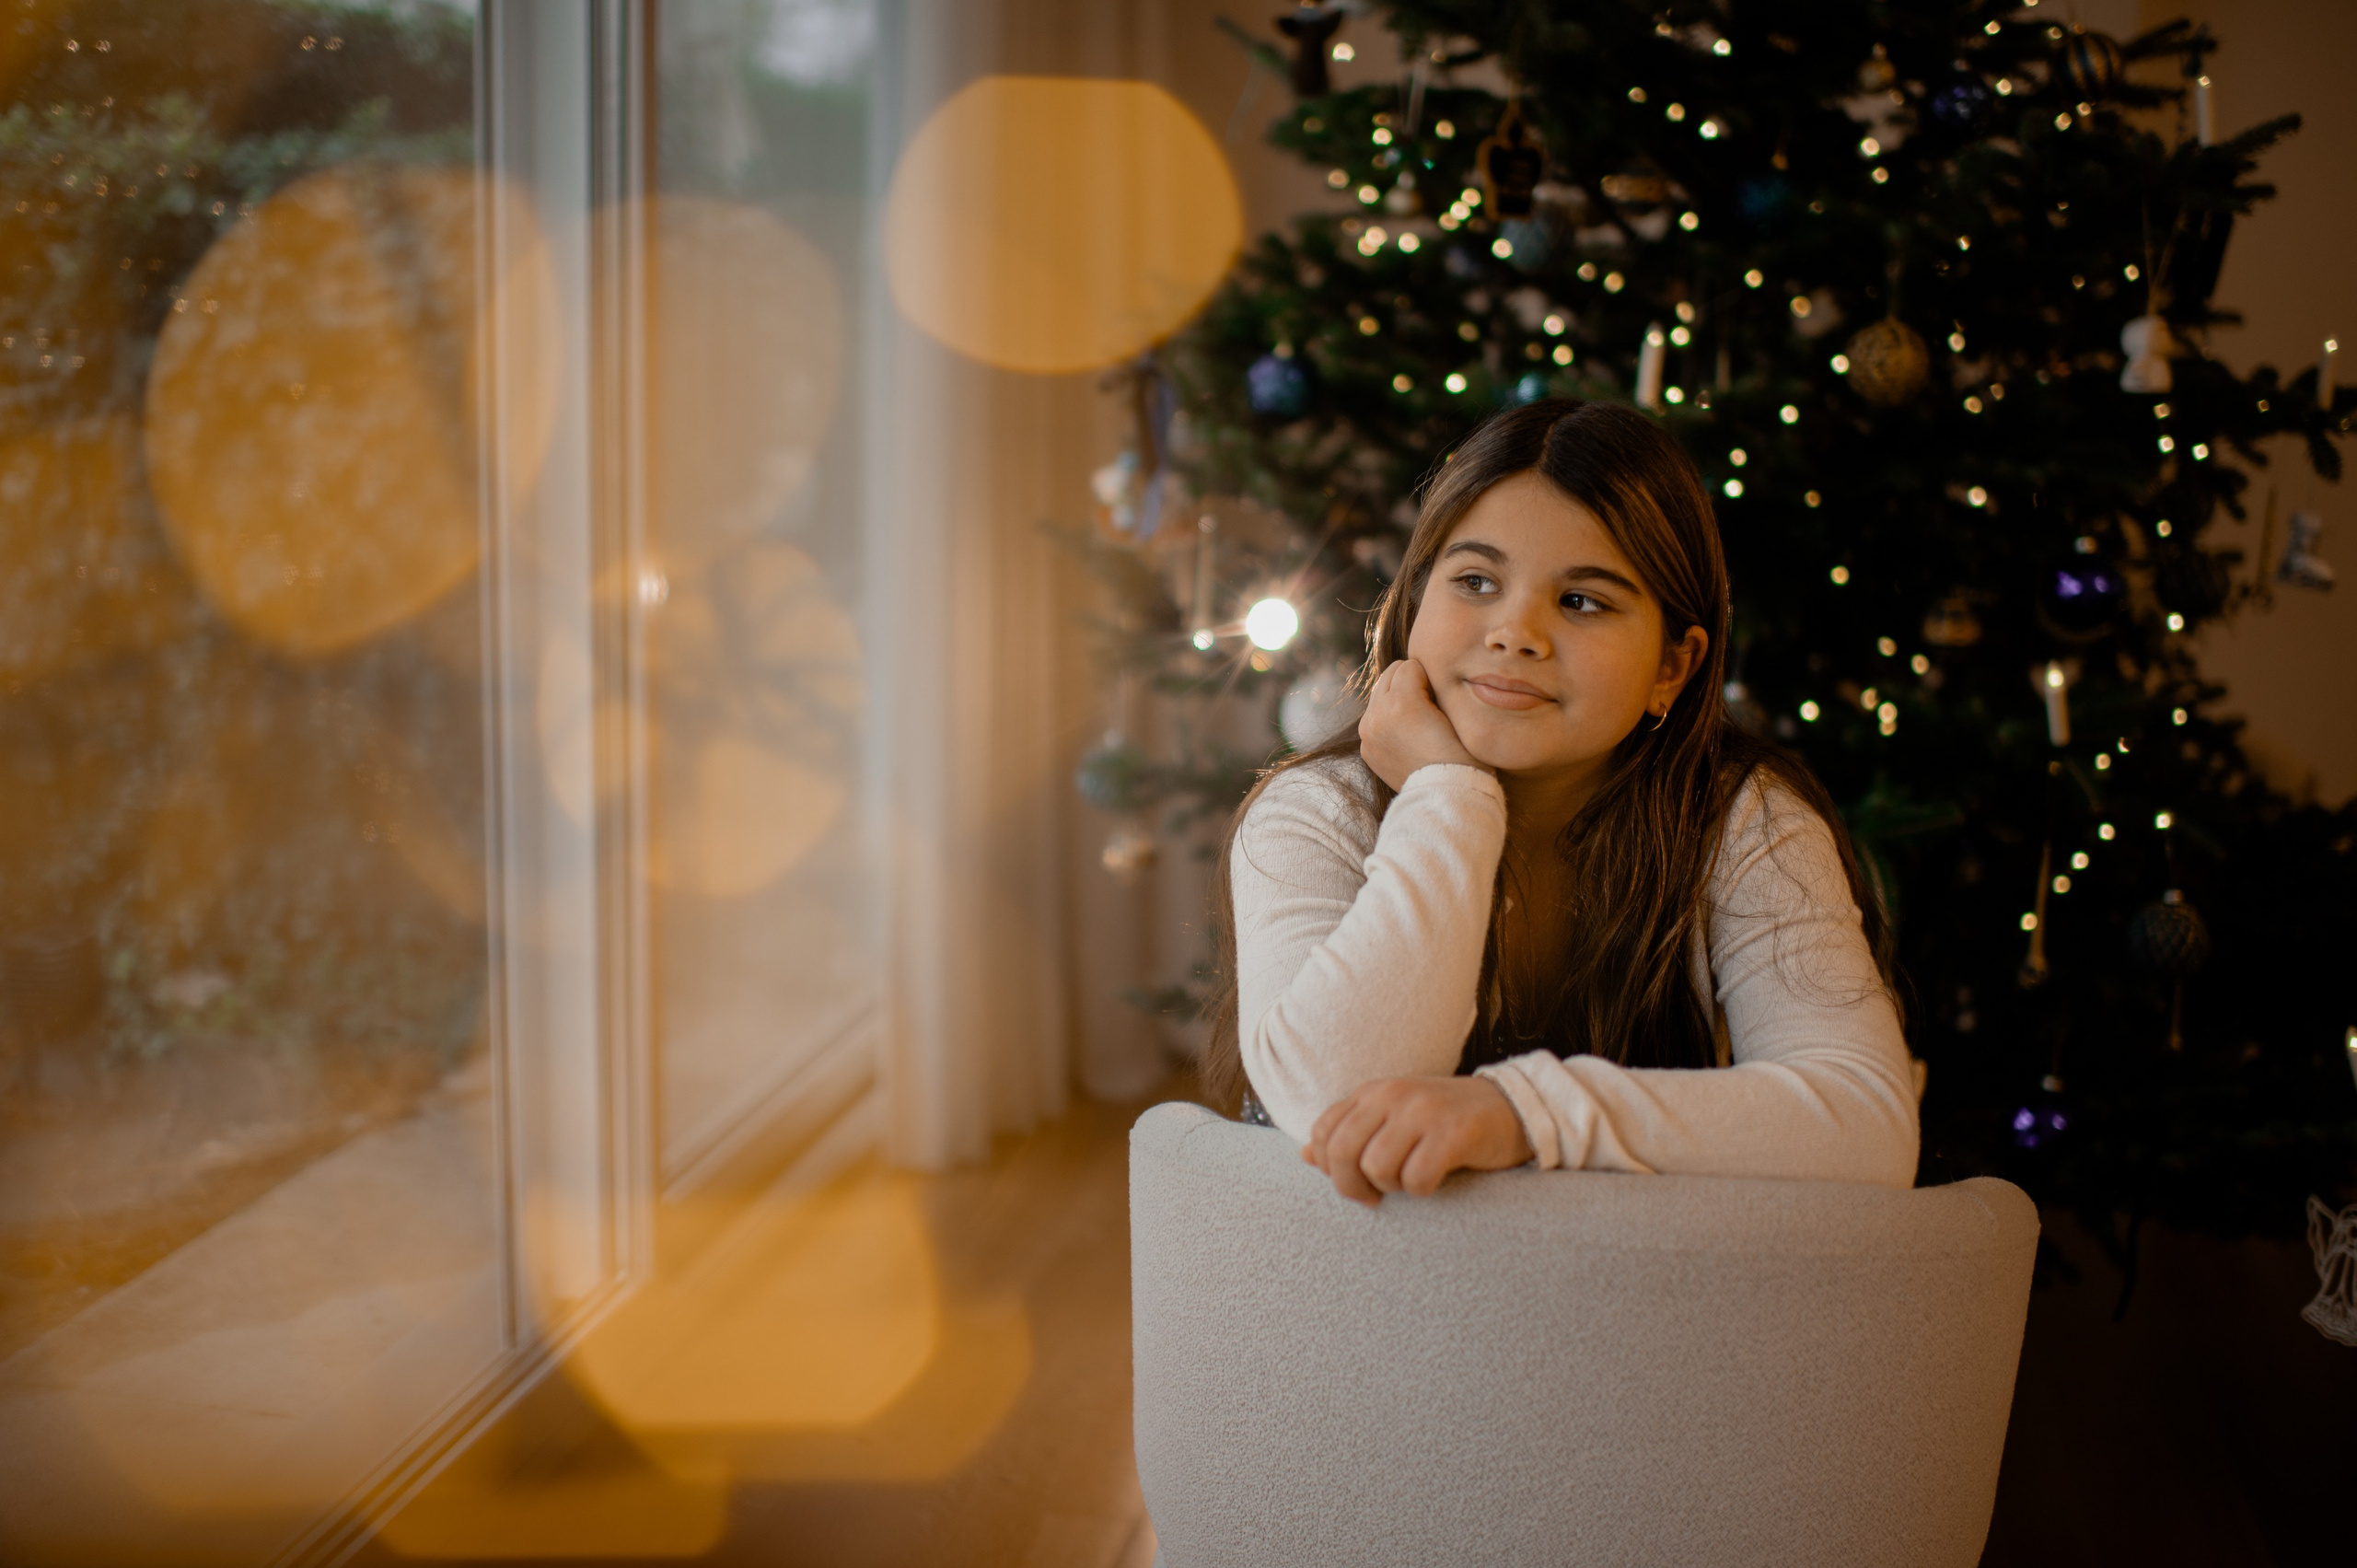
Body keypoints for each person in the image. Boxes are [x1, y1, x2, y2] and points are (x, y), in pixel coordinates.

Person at [1202, 399, 1920, 1205]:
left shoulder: (1742, 820)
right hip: (1363, 1304)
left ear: (1671, 669)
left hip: (1616, 1306)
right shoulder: (1313, 810)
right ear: (1411, 605)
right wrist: (1450, 798)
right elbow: (1337, 1099)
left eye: (1582, 601)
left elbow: (1868, 1123)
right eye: (1474, 581)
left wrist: (1523, 1110)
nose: (1515, 632)